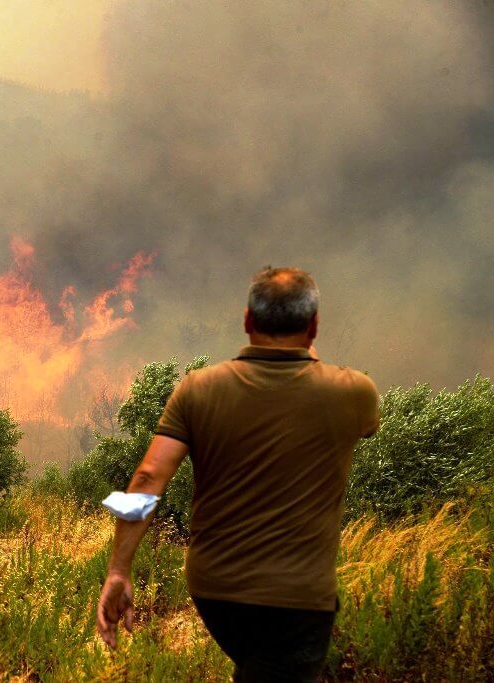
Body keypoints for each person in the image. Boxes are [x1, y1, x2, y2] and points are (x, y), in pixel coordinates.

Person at [96, 266, 380, 682]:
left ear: (247, 321)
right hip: (296, 596)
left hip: (215, 591)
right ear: (314, 325)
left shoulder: (197, 388)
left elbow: (146, 479)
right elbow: (350, 413)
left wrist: (119, 570)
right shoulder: (354, 391)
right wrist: (308, 348)